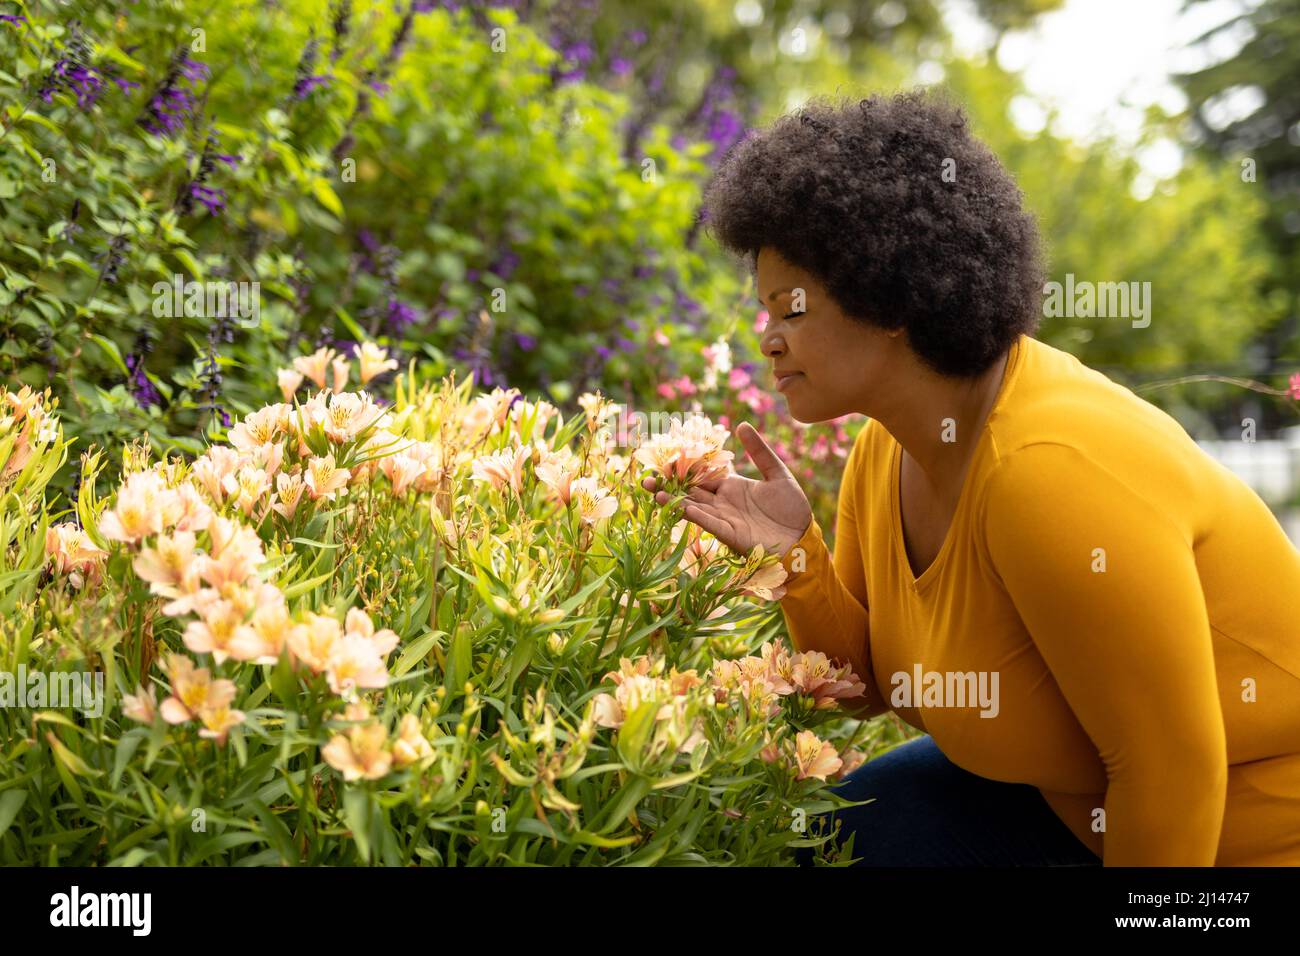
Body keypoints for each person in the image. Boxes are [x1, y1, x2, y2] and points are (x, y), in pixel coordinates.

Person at [642, 90, 1300, 866]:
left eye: (790, 309)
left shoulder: (1050, 472)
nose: (767, 339)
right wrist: (794, 558)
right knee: (810, 845)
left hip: (1237, 841)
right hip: (1056, 806)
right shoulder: (889, 453)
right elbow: (865, 687)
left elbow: (1170, 774)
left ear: (886, 294)